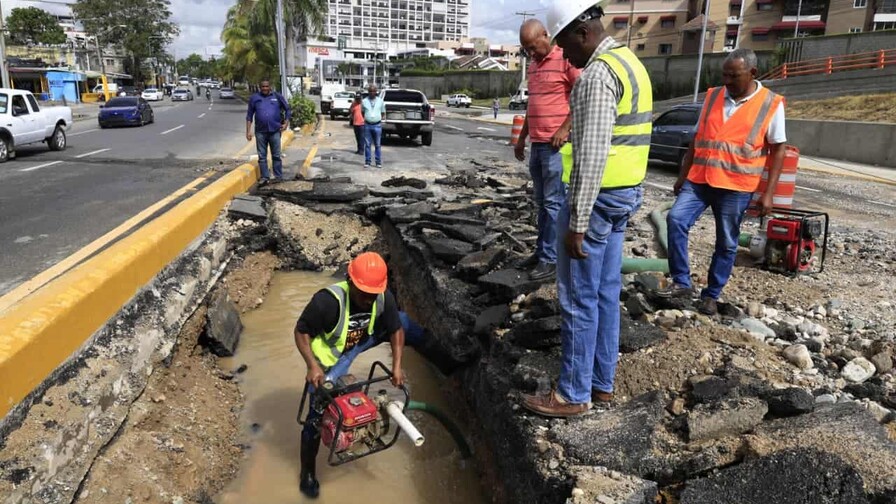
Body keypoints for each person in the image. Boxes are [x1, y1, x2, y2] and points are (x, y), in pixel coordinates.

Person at [522, 0, 653, 417]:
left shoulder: (597, 75)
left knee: (578, 297)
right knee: (605, 293)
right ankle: (601, 383)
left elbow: (592, 154)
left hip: (596, 203)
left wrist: (576, 222)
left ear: (582, 32)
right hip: (624, 195)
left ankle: (572, 394)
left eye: (564, 44)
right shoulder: (629, 61)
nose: (565, 54)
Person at [661, 49, 786, 316]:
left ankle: (711, 294)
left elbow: (778, 150)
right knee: (675, 220)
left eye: (734, 75)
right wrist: (682, 176)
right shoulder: (714, 95)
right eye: (725, 74)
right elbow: (697, 139)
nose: (727, 80)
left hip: (736, 185)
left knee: (727, 243)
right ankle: (681, 283)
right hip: (700, 180)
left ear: (752, 73)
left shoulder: (770, 103)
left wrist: (769, 193)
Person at [295, 252, 424, 498]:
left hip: (359, 343)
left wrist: (397, 366)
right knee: (314, 418)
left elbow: (395, 330)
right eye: (364, 292)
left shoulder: (382, 297)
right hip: (329, 361)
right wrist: (312, 366)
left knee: (405, 322)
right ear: (350, 281)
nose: (368, 299)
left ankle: (449, 362)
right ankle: (307, 474)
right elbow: (301, 331)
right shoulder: (327, 302)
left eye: (373, 294)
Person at [514, 18, 581, 281]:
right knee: (541, 203)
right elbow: (533, 108)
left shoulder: (566, 58)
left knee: (553, 204)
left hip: (557, 147)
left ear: (545, 35)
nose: (531, 53)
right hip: (537, 145)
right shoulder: (533, 65)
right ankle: (542, 251)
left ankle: (550, 259)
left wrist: (565, 127)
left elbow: (582, 94)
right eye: (526, 49)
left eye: (533, 46)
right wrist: (521, 139)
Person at [246, 79, 291, 185]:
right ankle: (265, 177)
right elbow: (249, 116)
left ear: (270, 87)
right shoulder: (254, 98)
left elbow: (288, 109)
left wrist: (286, 123)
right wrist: (248, 131)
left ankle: (278, 176)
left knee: (276, 155)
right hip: (260, 132)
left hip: (275, 130)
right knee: (262, 156)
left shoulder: (277, 96)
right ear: (260, 87)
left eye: (267, 86)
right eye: (263, 87)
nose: (265, 88)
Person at [361, 84, 386, 169]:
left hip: (377, 125)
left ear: (376, 92)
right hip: (367, 125)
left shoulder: (380, 101)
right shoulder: (364, 101)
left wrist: (376, 118)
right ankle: (367, 162)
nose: (372, 93)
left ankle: (378, 162)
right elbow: (362, 112)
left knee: (377, 145)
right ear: (368, 92)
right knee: (367, 144)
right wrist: (368, 118)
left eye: (373, 91)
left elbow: (383, 112)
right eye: (370, 91)